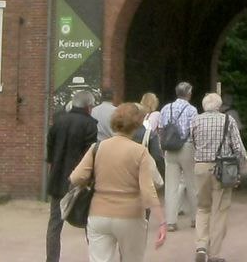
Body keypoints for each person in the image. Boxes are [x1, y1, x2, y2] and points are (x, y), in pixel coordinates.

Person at [70, 103, 167, 262]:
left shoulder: (97, 148)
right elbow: (150, 189)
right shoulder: (140, 152)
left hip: (99, 213)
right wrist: (162, 221)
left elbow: (76, 177)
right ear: (136, 124)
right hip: (131, 215)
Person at [191, 92, 247, 262]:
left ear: (204, 106)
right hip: (222, 169)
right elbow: (238, 149)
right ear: (219, 106)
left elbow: (193, 143)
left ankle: (201, 246)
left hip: (200, 167)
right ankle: (214, 253)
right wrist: (239, 168)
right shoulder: (228, 120)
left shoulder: (195, 120)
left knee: (202, 208)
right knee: (219, 210)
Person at [45, 89, 97, 262]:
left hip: (57, 179)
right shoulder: (90, 124)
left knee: (54, 224)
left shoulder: (58, 122)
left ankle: (52, 259)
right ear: (89, 107)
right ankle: (96, 257)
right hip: (80, 181)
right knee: (89, 222)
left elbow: (50, 152)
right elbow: (90, 155)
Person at [158, 81, 198, 232]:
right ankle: (195, 218)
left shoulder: (165, 108)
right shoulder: (192, 110)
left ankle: (171, 221)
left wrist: (163, 147)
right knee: (192, 184)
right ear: (188, 93)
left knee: (171, 186)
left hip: (170, 149)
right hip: (186, 146)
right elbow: (194, 131)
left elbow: (160, 129)